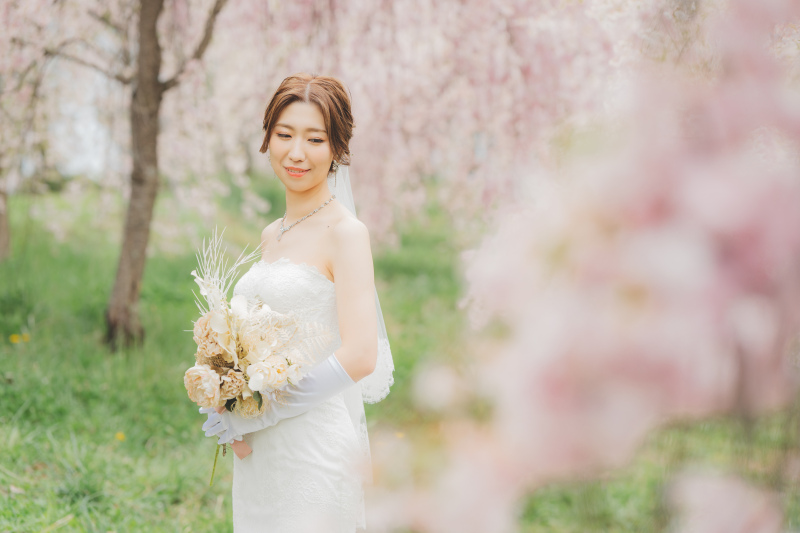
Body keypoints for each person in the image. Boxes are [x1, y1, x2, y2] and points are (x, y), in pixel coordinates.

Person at [201, 73, 394, 532]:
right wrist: (224, 393)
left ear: (337, 148)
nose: (296, 152)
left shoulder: (346, 233)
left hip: (313, 450)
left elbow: (361, 355)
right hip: (260, 456)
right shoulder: (272, 234)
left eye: (315, 139)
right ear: (267, 139)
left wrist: (260, 409)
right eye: (284, 135)